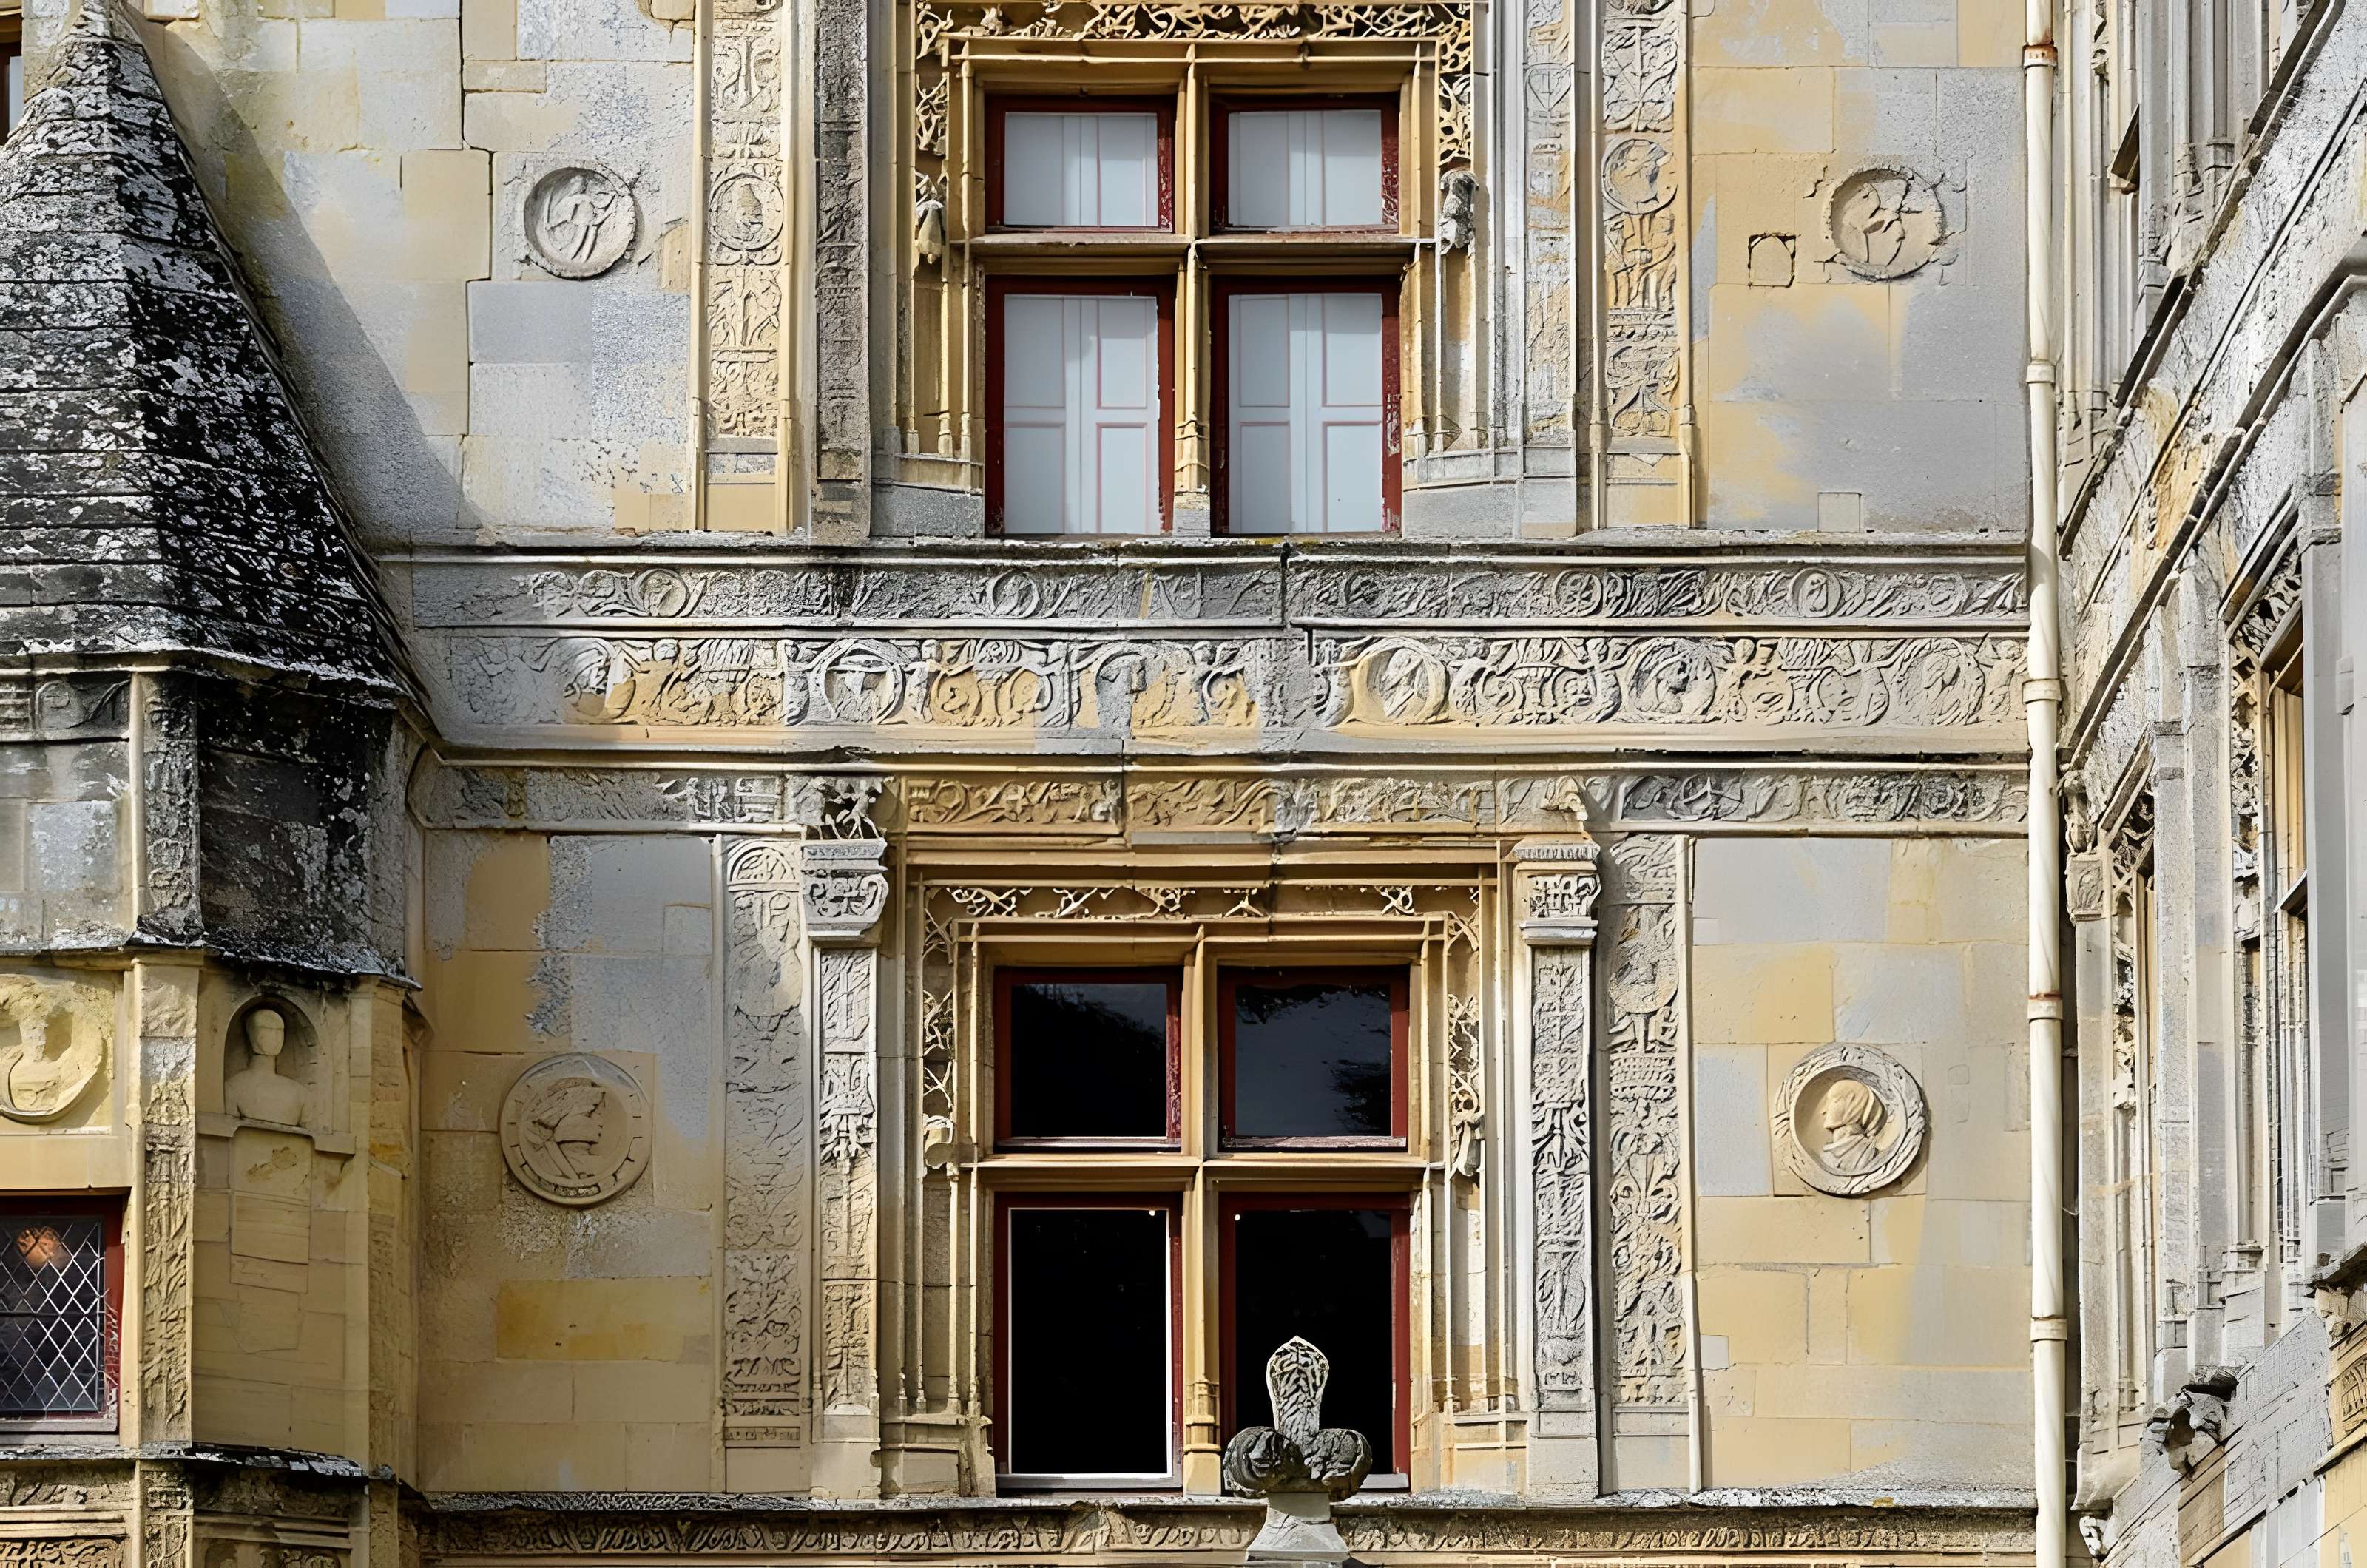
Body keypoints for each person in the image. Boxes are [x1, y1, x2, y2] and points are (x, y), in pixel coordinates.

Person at [226, 1007, 307, 1125]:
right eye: (265, 1029)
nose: (275, 1036)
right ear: (251, 1032)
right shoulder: (233, 1087)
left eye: (279, 1030)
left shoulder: (300, 1092)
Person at [1820, 1077, 1887, 1176]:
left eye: (1833, 1101)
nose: (1824, 1110)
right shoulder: (1826, 1154)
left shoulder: (1869, 1156)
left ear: (1850, 1103)